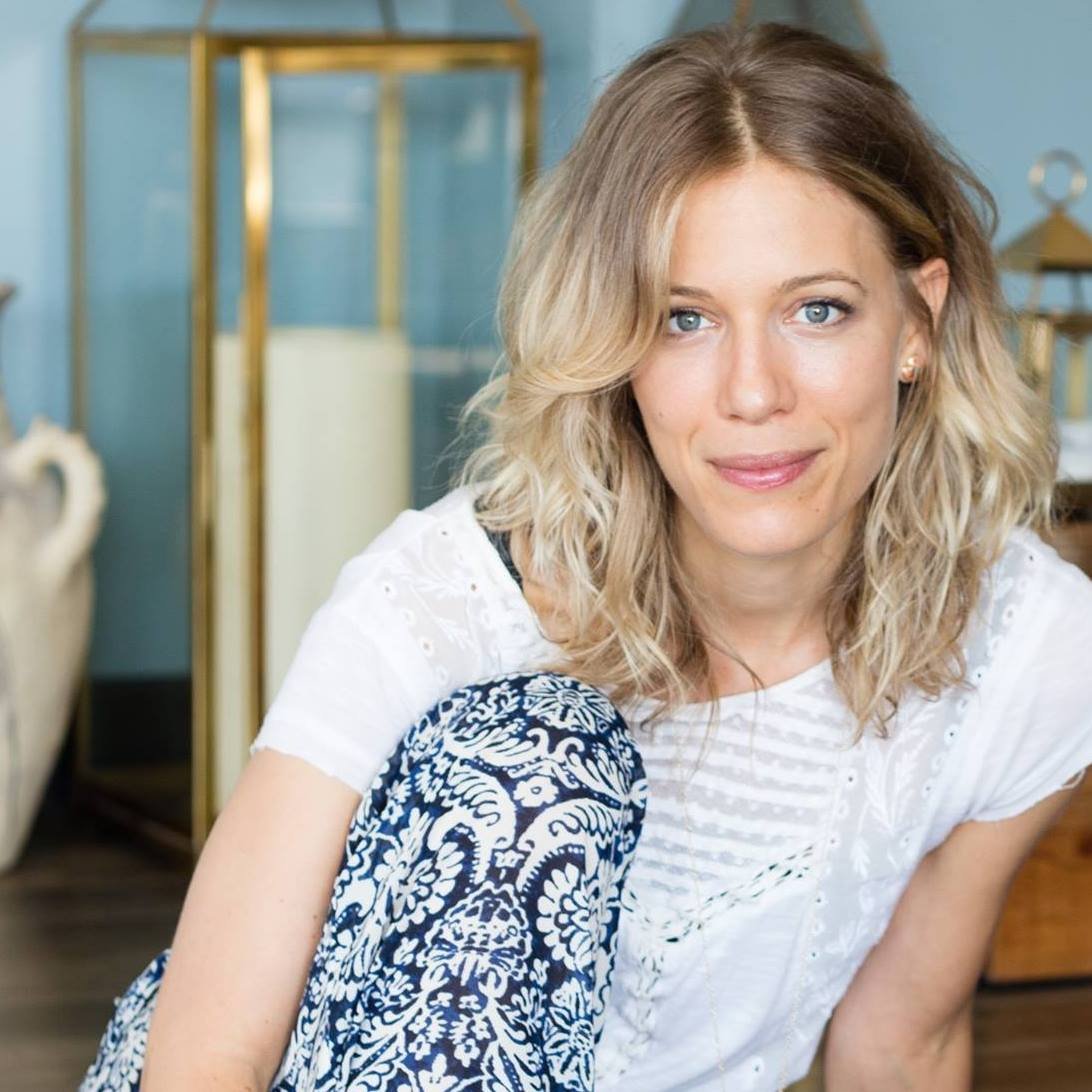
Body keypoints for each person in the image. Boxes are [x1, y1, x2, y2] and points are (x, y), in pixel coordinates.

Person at [82, 19, 1092, 1092]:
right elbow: (206, 1057)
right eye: (684, 319)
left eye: (818, 310)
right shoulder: (439, 602)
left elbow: (904, 1042)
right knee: (539, 753)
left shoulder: (1028, 645)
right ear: (616, 345)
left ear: (917, 321)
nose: (755, 392)